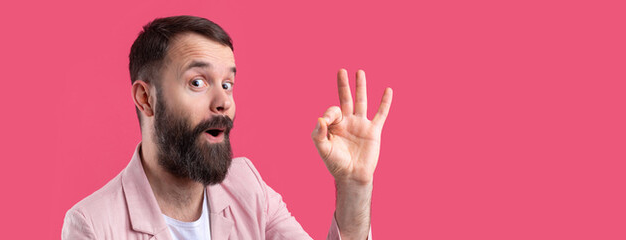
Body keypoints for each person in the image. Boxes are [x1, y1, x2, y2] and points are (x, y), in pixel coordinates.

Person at [61, 15, 392, 240]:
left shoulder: (247, 185)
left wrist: (354, 187)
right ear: (146, 98)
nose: (224, 102)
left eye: (229, 84)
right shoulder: (92, 225)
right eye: (198, 81)